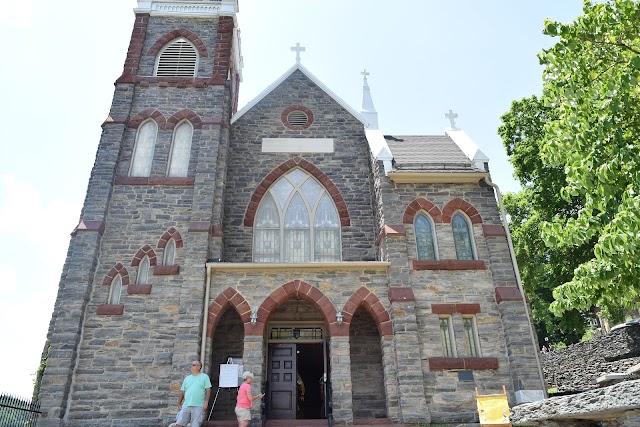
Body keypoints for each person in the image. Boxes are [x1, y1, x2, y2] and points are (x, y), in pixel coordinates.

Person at [176, 360, 212, 427]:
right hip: (186, 404)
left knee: (195, 425)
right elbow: (182, 391)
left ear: (199, 367)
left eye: (193, 365)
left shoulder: (204, 377)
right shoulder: (187, 378)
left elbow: (208, 390)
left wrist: (206, 402)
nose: (191, 366)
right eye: (192, 365)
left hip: (198, 405)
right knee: (179, 423)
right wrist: (179, 404)